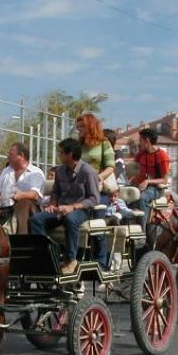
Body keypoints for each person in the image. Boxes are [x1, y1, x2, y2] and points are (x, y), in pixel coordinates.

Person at [30, 138, 99, 274]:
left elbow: (94, 199)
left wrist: (73, 207)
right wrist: (52, 203)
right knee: (36, 219)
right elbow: (56, 191)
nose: (59, 155)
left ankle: (71, 259)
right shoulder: (60, 171)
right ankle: (47, 256)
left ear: (70, 154)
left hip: (81, 210)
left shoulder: (88, 172)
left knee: (70, 219)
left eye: (61, 153)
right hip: (60, 209)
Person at [76, 114, 115, 266]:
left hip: (99, 190)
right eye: (77, 127)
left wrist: (97, 178)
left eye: (81, 127)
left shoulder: (104, 143)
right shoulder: (79, 146)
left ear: (90, 126)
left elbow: (110, 167)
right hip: (80, 190)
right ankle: (77, 260)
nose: (78, 130)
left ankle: (102, 264)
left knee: (98, 227)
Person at [0, 142, 45, 234]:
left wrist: (21, 195)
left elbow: (35, 194)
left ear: (21, 155)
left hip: (28, 211)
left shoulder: (35, 172)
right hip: (4, 209)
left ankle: (20, 239)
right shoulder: (6, 171)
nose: (8, 157)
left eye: (11, 154)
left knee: (24, 203)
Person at [129, 128, 170, 228]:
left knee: (142, 198)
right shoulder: (141, 154)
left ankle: (141, 231)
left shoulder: (162, 156)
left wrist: (147, 181)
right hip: (141, 186)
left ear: (147, 141)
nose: (139, 144)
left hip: (156, 189)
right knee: (125, 196)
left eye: (140, 141)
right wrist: (132, 179)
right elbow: (134, 170)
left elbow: (164, 180)